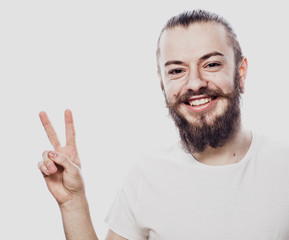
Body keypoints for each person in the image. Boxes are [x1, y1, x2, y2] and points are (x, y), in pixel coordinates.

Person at [38, 9, 289, 240]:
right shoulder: (145, 178)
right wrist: (72, 202)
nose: (194, 83)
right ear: (162, 84)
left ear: (240, 72)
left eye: (211, 64)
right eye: (177, 71)